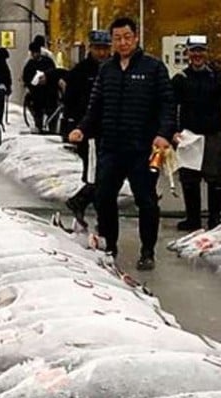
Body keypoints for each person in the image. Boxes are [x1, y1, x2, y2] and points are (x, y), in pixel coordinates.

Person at [69, 17, 175, 270]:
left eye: (127, 37)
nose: (123, 42)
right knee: (104, 198)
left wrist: (164, 133)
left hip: (142, 149)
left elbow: (168, 105)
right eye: (117, 38)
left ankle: (147, 251)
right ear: (113, 40)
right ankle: (109, 246)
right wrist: (82, 129)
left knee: (146, 201)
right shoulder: (107, 70)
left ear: (136, 37)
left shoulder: (153, 68)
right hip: (111, 147)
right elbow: (95, 107)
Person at [172, 35, 221, 231]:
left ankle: (214, 219)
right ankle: (193, 219)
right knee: (189, 179)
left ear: (206, 52)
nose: (197, 55)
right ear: (187, 53)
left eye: (200, 50)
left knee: (215, 177)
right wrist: (172, 132)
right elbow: (169, 107)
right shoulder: (180, 80)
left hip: (212, 135)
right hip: (189, 136)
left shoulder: (219, 78)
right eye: (193, 50)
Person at [62, 30, 112, 227]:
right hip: (90, 133)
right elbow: (69, 102)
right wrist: (75, 128)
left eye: (105, 49)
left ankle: (84, 204)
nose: (102, 53)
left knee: (105, 176)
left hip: (112, 131)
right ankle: (87, 207)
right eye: (98, 48)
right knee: (98, 176)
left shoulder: (114, 68)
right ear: (90, 48)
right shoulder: (80, 72)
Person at [21, 41, 57, 132]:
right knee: (38, 112)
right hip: (37, 93)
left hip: (48, 92)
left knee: (50, 111)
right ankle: (39, 126)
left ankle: (51, 128)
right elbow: (26, 78)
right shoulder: (30, 64)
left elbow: (54, 74)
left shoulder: (47, 61)